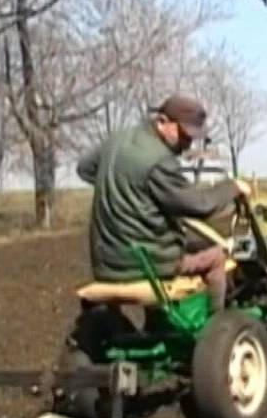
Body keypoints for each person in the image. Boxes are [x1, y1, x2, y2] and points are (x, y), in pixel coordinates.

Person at [77, 94, 251, 311]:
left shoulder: (117, 139)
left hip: (106, 262)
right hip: (148, 265)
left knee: (190, 245)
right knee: (217, 257)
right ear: (162, 122)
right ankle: (218, 326)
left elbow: (84, 169)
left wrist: (127, 186)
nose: (187, 144)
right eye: (184, 135)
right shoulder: (159, 161)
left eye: (192, 138)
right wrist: (232, 187)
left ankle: (156, 322)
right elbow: (199, 205)